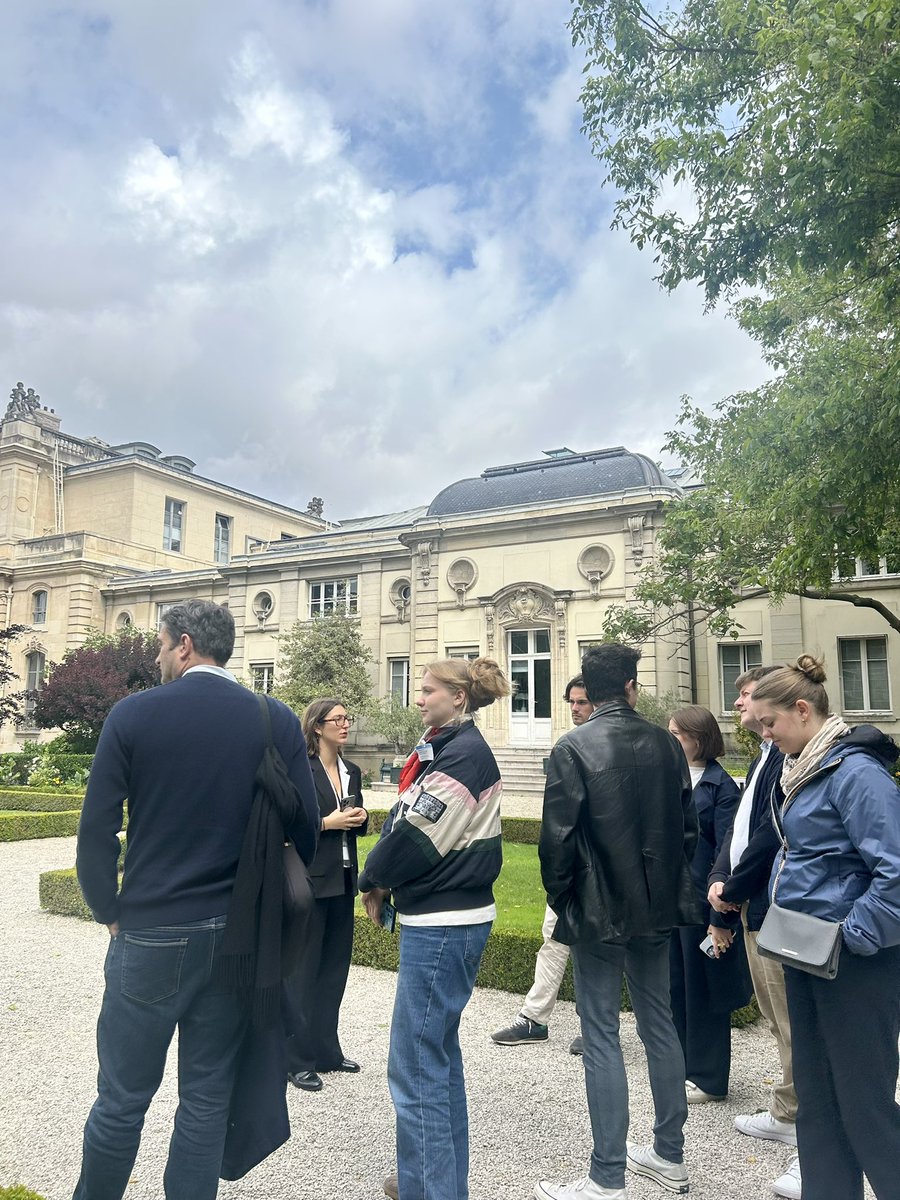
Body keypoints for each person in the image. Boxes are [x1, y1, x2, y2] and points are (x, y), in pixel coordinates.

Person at [72, 599, 320, 1200]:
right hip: (237, 936)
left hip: (153, 927)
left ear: (184, 645)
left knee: (122, 1098)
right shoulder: (273, 719)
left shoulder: (133, 715)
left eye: (160, 645)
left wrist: (108, 909)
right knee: (207, 1098)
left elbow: (96, 832)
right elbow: (308, 829)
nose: (157, 657)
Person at [536, 644, 701, 1200]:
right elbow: (687, 831)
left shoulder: (572, 746)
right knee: (658, 1022)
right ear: (631, 687)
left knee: (601, 1031)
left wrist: (564, 901)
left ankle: (607, 1175)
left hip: (599, 907)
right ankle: (668, 1156)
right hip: (654, 905)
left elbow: (555, 842)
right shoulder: (666, 745)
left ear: (595, 689)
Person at [748, 655, 900, 1200]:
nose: (764, 734)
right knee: (818, 1100)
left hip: (855, 961)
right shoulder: (806, 769)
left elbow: (896, 873)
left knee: (864, 1101)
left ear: (803, 710)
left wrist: (850, 938)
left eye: (769, 723)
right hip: (810, 953)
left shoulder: (856, 773)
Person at [359, 657, 509, 1200]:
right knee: (435, 1059)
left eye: (427, 691)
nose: (418, 698)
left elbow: (416, 836)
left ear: (460, 699)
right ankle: (433, 1181)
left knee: (417, 1063)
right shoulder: (449, 748)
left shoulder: (462, 754)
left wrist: (372, 878)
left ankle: (431, 1190)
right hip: (448, 918)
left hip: (445, 922)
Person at [706, 667, 799, 1199]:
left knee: (791, 1020)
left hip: (769, 901)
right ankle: (789, 1109)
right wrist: (722, 878)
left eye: (746, 695)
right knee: (777, 1018)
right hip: (750, 899)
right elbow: (740, 829)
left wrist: (732, 889)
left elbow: (768, 835)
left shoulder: (786, 757)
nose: (739, 704)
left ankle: (799, 1118)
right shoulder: (767, 753)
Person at [490, 675, 592, 1053]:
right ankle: (534, 1018)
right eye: (572, 702)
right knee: (552, 941)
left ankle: (594, 1023)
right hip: (569, 870)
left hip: (599, 870)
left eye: (581, 702)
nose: (575, 709)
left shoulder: (597, 746)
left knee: (595, 949)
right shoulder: (569, 745)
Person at [282, 697, 368, 1092]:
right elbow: (289, 823)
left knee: (334, 971)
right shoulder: (301, 768)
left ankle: (327, 1050)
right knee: (303, 972)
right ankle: (296, 1059)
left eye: (347, 719)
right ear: (318, 727)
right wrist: (326, 822)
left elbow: (352, 825)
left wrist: (359, 819)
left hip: (344, 879)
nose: (345, 725)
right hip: (312, 881)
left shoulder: (352, 771)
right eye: (338, 719)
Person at [666, 706, 750, 1105]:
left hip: (704, 905)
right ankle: (682, 1066)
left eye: (676, 734)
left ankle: (710, 1077)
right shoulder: (670, 778)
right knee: (676, 987)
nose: (671, 740)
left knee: (705, 992)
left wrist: (720, 918)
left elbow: (727, 854)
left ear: (697, 738)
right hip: (671, 904)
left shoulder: (722, 787)